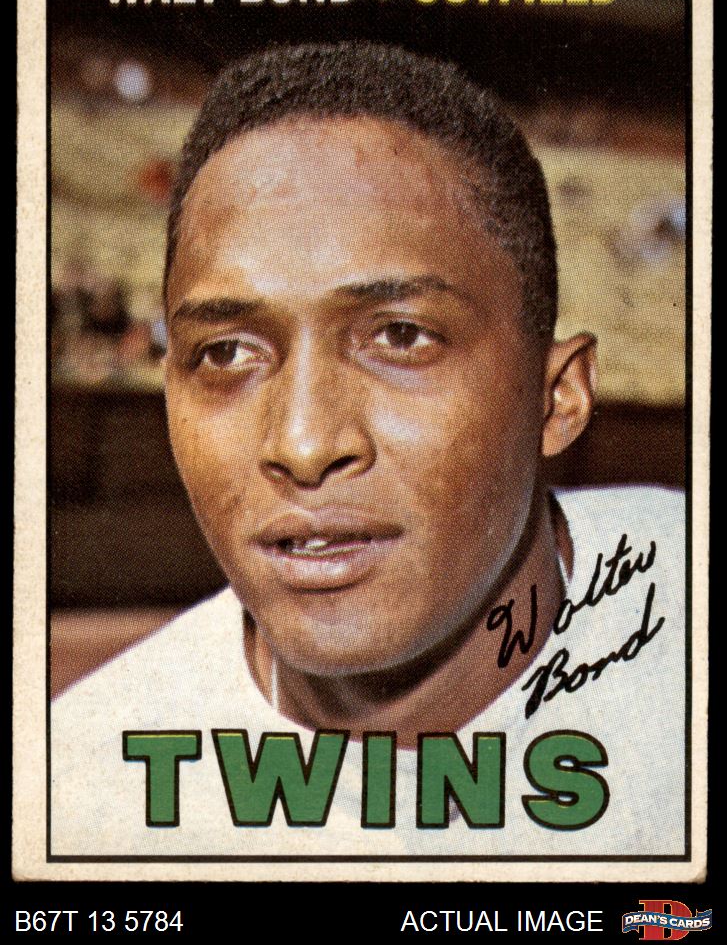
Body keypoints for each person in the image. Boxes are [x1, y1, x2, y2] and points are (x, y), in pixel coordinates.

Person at [51, 43, 685, 859]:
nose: (303, 444)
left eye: (400, 337)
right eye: (227, 352)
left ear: (555, 396)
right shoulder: (81, 803)